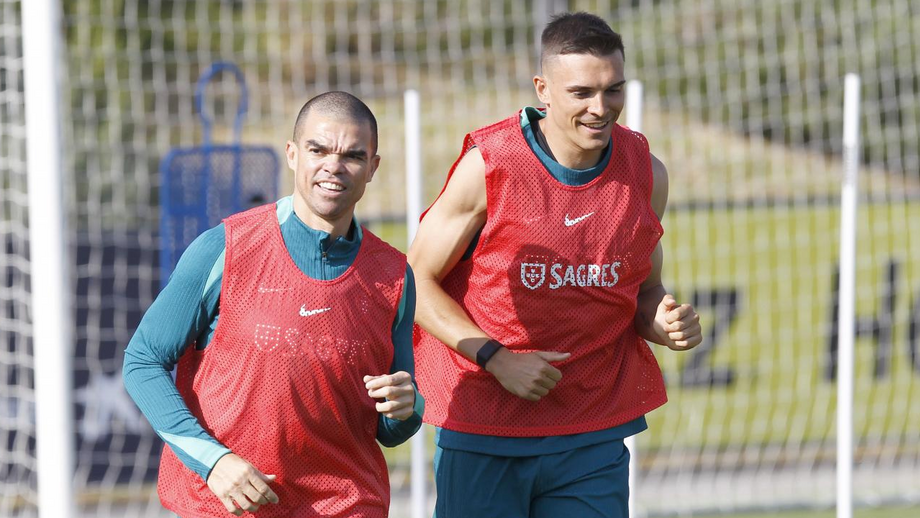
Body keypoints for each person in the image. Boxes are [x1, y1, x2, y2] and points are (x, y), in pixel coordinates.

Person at [409, 12, 702, 518]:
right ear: (543, 89)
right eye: (582, 92)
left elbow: (643, 289)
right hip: (486, 426)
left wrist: (664, 319)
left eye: (613, 91)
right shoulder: (490, 164)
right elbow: (414, 280)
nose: (600, 108)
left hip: (592, 430)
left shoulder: (646, 173)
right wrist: (497, 359)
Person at [124, 91, 423, 518]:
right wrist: (213, 461)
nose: (333, 166)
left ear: (373, 168)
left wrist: (407, 409)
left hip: (347, 506)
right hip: (224, 505)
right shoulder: (225, 247)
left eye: (353, 155)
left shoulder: (394, 276)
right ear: (292, 154)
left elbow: (391, 427)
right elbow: (142, 361)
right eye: (318, 149)